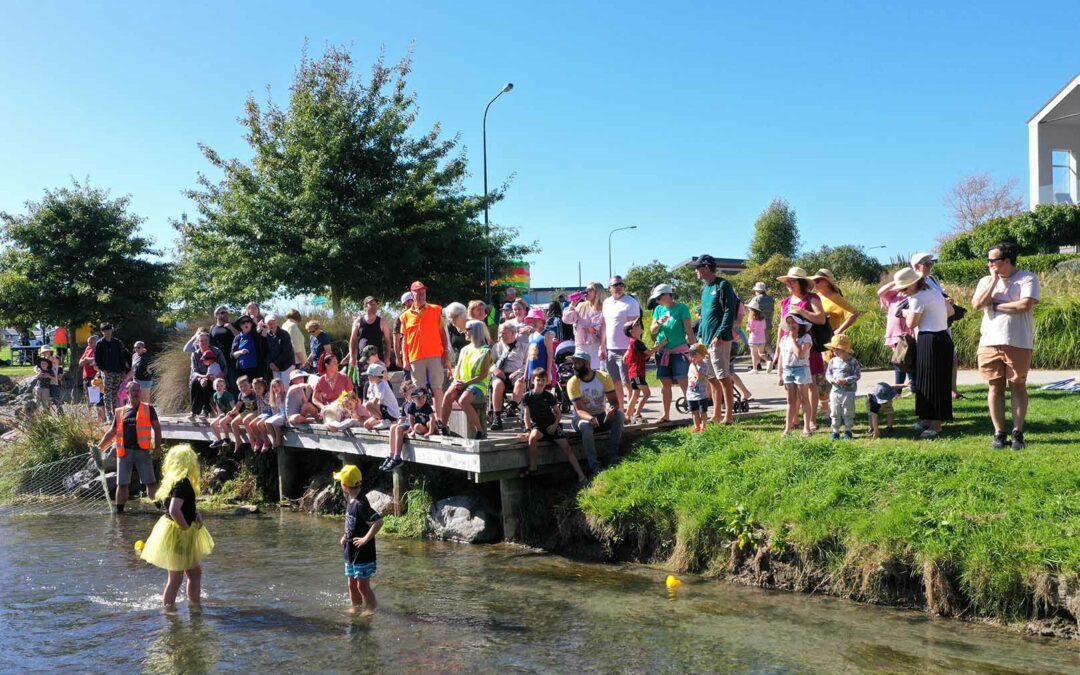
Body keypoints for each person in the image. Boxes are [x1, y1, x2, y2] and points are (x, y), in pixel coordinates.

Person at [971, 242, 1041, 450]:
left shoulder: (1028, 278)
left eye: (993, 260)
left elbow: (1024, 305)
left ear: (1007, 260)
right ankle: (999, 432)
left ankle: (1017, 433)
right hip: (989, 341)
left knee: (1018, 386)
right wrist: (993, 281)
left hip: (1018, 341)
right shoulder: (986, 280)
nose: (989, 264)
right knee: (995, 387)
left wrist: (995, 305)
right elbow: (977, 304)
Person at [139, 444, 214, 611]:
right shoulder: (183, 484)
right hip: (179, 534)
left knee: (193, 574)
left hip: (175, 532)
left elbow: (180, 507)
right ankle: (170, 611)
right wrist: (186, 527)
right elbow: (174, 509)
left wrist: (195, 515)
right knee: (176, 578)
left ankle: (193, 606)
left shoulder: (172, 481)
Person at [894, 267, 954, 440]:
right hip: (942, 337)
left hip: (930, 338)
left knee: (932, 381)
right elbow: (950, 312)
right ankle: (927, 418)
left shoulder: (917, 298)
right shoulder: (933, 291)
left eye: (904, 288)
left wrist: (905, 312)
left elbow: (912, 323)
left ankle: (935, 425)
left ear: (914, 283)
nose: (902, 292)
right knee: (929, 380)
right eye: (900, 289)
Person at [776, 267, 828, 430]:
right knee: (792, 384)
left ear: (801, 283)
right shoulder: (785, 301)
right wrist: (778, 349)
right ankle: (795, 420)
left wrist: (801, 311)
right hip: (788, 347)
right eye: (787, 282)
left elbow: (820, 319)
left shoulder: (811, 298)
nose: (789, 284)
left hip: (807, 345)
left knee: (811, 383)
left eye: (792, 281)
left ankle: (811, 420)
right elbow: (781, 326)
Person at [96, 381, 160, 513]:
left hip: (143, 451)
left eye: (138, 390)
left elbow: (157, 428)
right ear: (127, 393)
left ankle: (160, 507)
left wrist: (158, 447)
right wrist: (99, 447)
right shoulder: (120, 412)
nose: (136, 393)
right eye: (133, 391)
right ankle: (119, 511)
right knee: (122, 483)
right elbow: (112, 432)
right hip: (124, 452)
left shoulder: (148, 408)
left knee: (150, 482)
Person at [400, 281, 453, 431]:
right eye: (418, 292)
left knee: (437, 388)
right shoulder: (405, 316)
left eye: (423, 292)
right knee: (419, 390)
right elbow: (405, 340)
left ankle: (440, 420)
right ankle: (423, 420)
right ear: (412, 294)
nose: (421, 294)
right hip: (415, 356)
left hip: (435, 354)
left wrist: (446, 353)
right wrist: (405, 359)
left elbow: (443, 334)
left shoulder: (436, 309)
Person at [518, 367, 586, 482]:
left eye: (543, 380)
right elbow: (526, 415)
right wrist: (528, 430)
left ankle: (581, 475)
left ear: (547, 381)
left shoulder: (549, 396)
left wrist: (555, 425)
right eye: (538, 380)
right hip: (538, 427)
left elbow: (559, 414)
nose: (540, 382)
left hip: (551, 425)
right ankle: (533, 467)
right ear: (533, 380)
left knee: (568, 448)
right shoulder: (527, 396)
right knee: (532, 438)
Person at [695, 255, 740, 425]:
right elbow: (704, 316)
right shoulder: (704, 289)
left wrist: (720, 334)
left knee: (723, 376)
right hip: (706, 340)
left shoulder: (723, 285)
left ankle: (728, 416)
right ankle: (717, 414)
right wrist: (699, 335)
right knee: (711, 378)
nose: (696, 271)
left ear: (706, 267)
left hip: (719, 339)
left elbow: (730, 311)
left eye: (698, 268)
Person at [810, 269, 862, 414]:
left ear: (828, 282)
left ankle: (827, 407)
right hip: (817, 340)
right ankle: (825, 405)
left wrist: (838, 330)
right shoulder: (817, 296)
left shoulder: (835, 297)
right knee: (819, 372)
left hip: (829, 341)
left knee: (826, 372)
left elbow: (854, 313)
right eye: (814, 280)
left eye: (818, 280)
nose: (815, 283)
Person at [911, 252, 962, 400]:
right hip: (927, 328)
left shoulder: (932, 279)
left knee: (950, 357)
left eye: (931, 263)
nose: (930, 266)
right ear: (916, 266)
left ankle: (951, 389)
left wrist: (947, 300)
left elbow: (940, 298)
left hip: (942, 324)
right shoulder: (914, 284)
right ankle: (933, 393)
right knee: (931, 362)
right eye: (926, 263)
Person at [567, 348, 625, 474]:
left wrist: (612, 409)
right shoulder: (572, 383)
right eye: (573, 363)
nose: (573, 366)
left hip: (601, 415)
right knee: (587, 427)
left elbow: (615, 402)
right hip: (581, 418)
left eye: (577, 363)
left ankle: (612, 455)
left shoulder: (603, 377)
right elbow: (579, 410)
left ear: (587, 364)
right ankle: (594, 465)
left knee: (620, 415)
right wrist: (590, 418)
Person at [335, 464, 382, 616]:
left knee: (362, 585)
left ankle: (371, 607)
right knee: (351, 584)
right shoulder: (351, 498)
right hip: (350, 551)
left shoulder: (361, 503)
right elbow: (352, 521)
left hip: (363, 554)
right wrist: (345, 536)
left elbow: (378, 522)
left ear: (344, 485)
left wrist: (365, 539)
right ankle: (355, 606)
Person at [648, 283, 695, 423]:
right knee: (665, 384)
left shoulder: (682, 308)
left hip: (679, 351)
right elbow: (652, 330)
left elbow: (689, 331)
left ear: (667, 295)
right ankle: (665, 415)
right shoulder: (658, 309)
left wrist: (695, 349)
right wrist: (659, 323)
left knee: (683, 381)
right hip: (663, 352)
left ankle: (694, 414)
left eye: (659, 297)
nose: (657, 300)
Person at [437, 320, 491, 439]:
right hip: (462, 382)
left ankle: (479, 431)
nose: (465, 332)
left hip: (478, 384)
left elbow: (483, 375)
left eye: (467, 330)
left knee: (463, 400)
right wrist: (456, 381)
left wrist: (466, 383)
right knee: (447, 396)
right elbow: (458, 369)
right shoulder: (465, 349)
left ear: (475, 331)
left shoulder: (485, 350)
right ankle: (444, 427)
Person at [600, 275, 641, 410]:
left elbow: (635, 328)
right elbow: (604, 325)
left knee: (628, 382)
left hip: (626, 349)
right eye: (615, 285)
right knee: (615, 382)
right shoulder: (606, 302)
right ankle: (621, 410)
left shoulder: (631, 303)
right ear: (609, 288)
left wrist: (631, 348)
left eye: (621, 284)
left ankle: (632, 412)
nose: (618, 287)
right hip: (610, 349)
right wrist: (602, 346)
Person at [876, 271, 914, 394]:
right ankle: (898, 390)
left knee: (911, 360)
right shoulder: (894, 295)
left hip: (910, 333)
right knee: (900, 361)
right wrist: (896, 282)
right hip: (896, 334)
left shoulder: (913, 294)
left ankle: (914, 388)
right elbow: (880, 292)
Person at [382, 386, 435, 472]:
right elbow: (406, 418)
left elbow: (431, 418)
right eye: (418, 397)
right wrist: (401, 426)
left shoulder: (424, 406)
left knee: (402, 427)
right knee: (393, 427)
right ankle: (392, 456)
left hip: (419, 425)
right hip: (411, 425)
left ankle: (397, 457)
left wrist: (428, 431)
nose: (421, 399)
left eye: (423, 397)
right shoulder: (408, 405)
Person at [778, 313, 814, 436]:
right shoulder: (784, 339)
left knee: (804, 398)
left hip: (801, 369)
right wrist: (780, 374)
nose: (791, 325)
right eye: (789, 323)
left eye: (794, 322)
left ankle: (807, 428)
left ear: (800, 324)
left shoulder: (806, 338)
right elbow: (782, 357)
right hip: (788, 370)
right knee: (790, 400)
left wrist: (793, 339)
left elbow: (800, 354)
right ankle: (787, 428)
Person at [489, 322, 527, 431]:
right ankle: (497, 417)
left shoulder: (523, 347)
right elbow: (489, 363)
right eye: (500, 333)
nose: (501, 335)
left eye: (504, 333)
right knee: (497, 385)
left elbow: (527, 364)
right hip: (501, 374)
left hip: (516, 373)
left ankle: (513, 407)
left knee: (520, 380)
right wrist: (494, 369)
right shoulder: (497, 347)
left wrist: (518, 372)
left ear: (513, 333)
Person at [624, 320, 663, 424]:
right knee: (647, 393)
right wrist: (661, 345)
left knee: (636, 394)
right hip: (636, 372)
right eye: (636, 325)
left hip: (636, 372)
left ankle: (628, 417)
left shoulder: (635, 342)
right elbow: (649, 352)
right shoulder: (636, 342)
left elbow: (645, 356)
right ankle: (636, 414)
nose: (639, 325)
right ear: (632, 331)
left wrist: (655, 347)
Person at [824, 333, 861, 440]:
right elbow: (828, 374)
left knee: (848, 411)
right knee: (835, 411)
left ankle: (848, 430)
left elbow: (857, 375)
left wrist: (846, 380)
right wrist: (832, 380)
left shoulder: (852, 362)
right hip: (835, 391)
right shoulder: (832, 361)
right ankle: (835, 431)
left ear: (844, 350)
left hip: (848, 391)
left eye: (837, 349)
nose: (834, 351)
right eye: (833, 349)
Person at [348, 296, 394, 384]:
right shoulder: (358, 321)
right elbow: (352, 340)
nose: (374, 306)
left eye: (375, 304)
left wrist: (387, 357)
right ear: (365, 306)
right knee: (363, 384)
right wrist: (352, 357)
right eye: (371, 304)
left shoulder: (382, 322)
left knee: (380, 383)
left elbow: (388, 341)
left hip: (378, 359)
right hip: (363, 359)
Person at [95, 323, 129, 422]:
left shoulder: (117, 342)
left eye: (109, 330)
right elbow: (97, 359)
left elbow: (121, 357)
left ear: (111, 331)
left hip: (117, 371)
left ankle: (115, 413)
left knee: (115, 393)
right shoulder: (100, 343)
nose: (108, 332)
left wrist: (123, 370)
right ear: (102, 332)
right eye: (105, 330)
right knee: (107, 393)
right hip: (107, 372)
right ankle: (109, 413)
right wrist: (103, 369)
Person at [362, 363, 401, 431]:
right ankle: (382, 419)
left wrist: (369, 407)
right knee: (366, 425)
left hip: (391, 414)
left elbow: (376, 401)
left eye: (369, 375)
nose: (368, 377)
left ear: (374, 375)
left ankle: (387, 421)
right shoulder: (374, 385)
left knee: (368, 405)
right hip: (383, 411)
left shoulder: (382, 384)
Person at [208, 306, 239, 389]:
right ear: (216, 315)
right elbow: (210, 344)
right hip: (218, 362)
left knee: (233, 384)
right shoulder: (212, 328)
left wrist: (231, 328)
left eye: (226, 313)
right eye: (222, 313)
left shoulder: (231, 325)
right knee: (220, 386)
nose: (225, 314)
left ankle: (235, 401)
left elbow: (239, 337)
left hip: (230, 360)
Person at [686, 343, 714, 433]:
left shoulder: (704, 365)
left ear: (702, 355)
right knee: (694, 411)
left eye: (695, 354)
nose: (692, 356)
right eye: (691, 354)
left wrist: (694, 366)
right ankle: (696, 426)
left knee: (703, 411)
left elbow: (699, 376)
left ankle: (704, 426)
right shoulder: (691, 365)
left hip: (701, 393)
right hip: (691, 393)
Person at [264, 314, 296, 390]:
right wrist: (271, 363)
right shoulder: (266, 335)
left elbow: (286, 352)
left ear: (276, 322)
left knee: (286, 388)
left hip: (287, 365)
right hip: (275, 367)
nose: (272, 325)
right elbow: (266, 352)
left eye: (273, 322)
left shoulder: (284, 334)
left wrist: (275, 364)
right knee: (278, 389)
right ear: (266, 325)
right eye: (269, 323)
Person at [230, 375, 259, 454]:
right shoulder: (241, 394)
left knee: (246, 421)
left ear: (250, 385)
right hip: (247, 411)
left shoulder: (254, 392)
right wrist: (232, 411)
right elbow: (238, 406)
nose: (243, 388)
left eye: (245, 385)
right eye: (241, 386)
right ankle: (238, 441)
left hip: (256, 411)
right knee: (233, 423)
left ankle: (253, 441)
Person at [751, 281, 776, 373]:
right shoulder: (770, 299)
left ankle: (771, 359)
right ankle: (772, 358)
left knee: (757, 346)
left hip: (758, 326)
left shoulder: (755, 299)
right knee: (767, 344)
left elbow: (752, 312)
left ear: (757, 291)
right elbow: (772, 310)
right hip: (768, 323)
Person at [524, 307, 553, 383]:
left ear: (542, 321)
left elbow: (550, 355)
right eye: (532, 321)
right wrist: (525, 373)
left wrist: (549, 372)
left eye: (536, 321)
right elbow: (529, 356)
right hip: (532, 371)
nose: (533, 323)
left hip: (542, 372)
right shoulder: (531, 336)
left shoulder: (546, 335)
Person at [190, 350, 222, 418]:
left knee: (202, 386)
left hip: (214, 384)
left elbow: (209, 376)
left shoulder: (212, 367)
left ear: (210, 360)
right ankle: (196, 410)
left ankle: (202, 410)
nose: (203, 362)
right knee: (196, 383)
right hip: (212, 382)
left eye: (204, 360)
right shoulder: (215, 365)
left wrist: (203, 378)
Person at [208, 378, 238, 449]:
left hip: (232, 414)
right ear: (215, 387)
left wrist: (236, 415)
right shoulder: (215, 395)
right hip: (223, 414)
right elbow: (218, 407)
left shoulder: (228, 395)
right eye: (217, 386)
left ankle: (227, 439)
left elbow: (234, 407)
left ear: (224, 386)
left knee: (222, 422)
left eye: (221, 385)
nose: (219, 387)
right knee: (213, 423)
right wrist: (218, 416)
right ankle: (219, 440)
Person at [231, 316, 262, 383]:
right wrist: (240, 352)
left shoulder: (255, 335)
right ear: (240, 325)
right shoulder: (238, 338)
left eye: (248, 321)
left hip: (256, 369)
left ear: (251, 324)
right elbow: (232, 354)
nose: (245, 324)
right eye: (243, 322)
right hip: (242, 370)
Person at [245, 377, 272, 452]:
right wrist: (258, 416)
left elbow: (270, 403)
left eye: (259, 388)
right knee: (251, 424)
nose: (257, 390)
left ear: (264, 387)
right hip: (263, 414)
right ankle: (258, 440)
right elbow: (259, 406)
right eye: (255, 388)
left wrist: (261, 396)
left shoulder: (268, 394)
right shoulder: (257, 395)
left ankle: (266, 441)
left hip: (270, 413)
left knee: (259, 424)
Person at [261, 378, 289, 449]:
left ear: (281, 386)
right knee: (267, 422)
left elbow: (288, 408)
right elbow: (275, 410)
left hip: (285, 414)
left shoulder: (285, 395)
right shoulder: (274, 396)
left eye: (278, 386)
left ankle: (278, 438)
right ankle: (274, 438)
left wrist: (287, 418)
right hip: (279, 414)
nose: (276, 388)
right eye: (274, 386)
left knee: (274, 422)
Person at [79, 335, 103, 418]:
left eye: (91, 342)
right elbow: (80, 362)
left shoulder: (100, 349)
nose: (89, 344)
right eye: (88, 342)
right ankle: (89, 417)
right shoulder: (87, 349)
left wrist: (87, 359)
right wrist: (88, 360)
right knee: (88, 397)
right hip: (86, 376)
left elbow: (98, 360)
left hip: (95, 377)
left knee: (97, 398)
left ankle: (100, 418)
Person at [745, 301, 769, 372]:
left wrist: (748, 328)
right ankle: (768, 360)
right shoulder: (762, 318)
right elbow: (764, 327)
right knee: (761, 353)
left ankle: (755, 369)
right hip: (762, 338)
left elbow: (749, 329)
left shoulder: (751, 319)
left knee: (754, 354)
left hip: (753, 339)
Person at [393, 292, 414, 370]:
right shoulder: (400, 318)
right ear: (406, 302)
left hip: (420, 354)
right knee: (408, 381)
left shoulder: (419, 314)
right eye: (412, 300)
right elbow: (396, 340)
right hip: (407, 355)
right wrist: (398, 358)